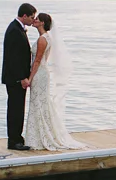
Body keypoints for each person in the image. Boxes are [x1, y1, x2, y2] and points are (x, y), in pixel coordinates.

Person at [25, 13, 86, 151]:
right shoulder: (47, 38)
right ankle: (39, 135)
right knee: (40, 104)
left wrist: (30, 78)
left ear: (42, 23)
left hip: (39, 74)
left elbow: (38, 61)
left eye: (37, 19)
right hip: (42, 73)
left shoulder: (42, 39)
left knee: (39, 104)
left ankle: (41, 136)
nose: (34, 20)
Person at [1, 3, 36, 151]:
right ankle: (14, 141)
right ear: (24, 16)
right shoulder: (14, 30)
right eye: (31, 17)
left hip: (16, 77)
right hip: (15, 79)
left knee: (17, 108)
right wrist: (22, 78)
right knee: (15, 109)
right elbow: (13, 58)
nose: (33, 20)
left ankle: (17, 138)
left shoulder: (16, 28)